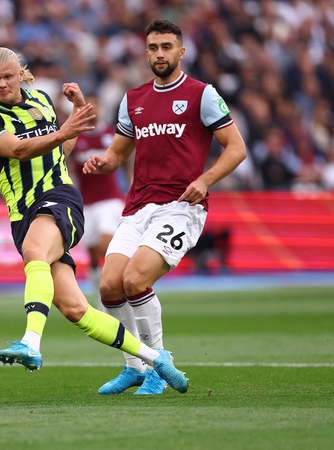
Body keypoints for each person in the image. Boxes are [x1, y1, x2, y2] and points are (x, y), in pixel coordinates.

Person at [0, 47, 189, 394]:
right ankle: (155, 359)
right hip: (22, 214)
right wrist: (65, 127)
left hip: (58, 197)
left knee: (35, 253)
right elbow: (20, 149)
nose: (2, 84)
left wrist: (74, 110)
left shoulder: (39, 99)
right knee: (75, 309)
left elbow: (61, 151)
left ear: (20, 73)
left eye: (8, 76)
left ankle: (30, 343)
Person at [83, 19, 247, 395]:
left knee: (135, 280)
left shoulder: (201, 94)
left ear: (181, 51)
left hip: (180, 207)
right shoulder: (133, 99)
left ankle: (158, 362)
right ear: (146, 52)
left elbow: (236, 148)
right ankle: (135, 367)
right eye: (153, 47)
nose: (159, 54)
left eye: (166, 47)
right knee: (109, 287)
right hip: (138, 206)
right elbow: (117, 152)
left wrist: (204, 180)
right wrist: (103, 163)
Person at [67, 94, 127, 306]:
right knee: (93, 253)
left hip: (110, 199)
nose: (91, 110)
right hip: (86, 202)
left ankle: (125, 282)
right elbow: (65, 163)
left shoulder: (111, 133)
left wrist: (130, 185)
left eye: (94, 105)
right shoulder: (75, 137)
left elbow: (128, 157)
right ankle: (101, 299)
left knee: (105, 245)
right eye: (86, 106)